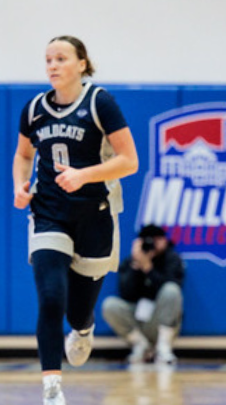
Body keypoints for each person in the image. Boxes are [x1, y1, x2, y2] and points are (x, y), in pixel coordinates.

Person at [12, 35, 139, 405]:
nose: (52, 65)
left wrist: (85, 175)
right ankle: (52, 386)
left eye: (61, 58)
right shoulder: (34, 108)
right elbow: (23, 156)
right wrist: (21, 186)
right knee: (51, 296)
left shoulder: (100, 103)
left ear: (82, 64)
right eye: (48, 59)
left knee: (78, 308)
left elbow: (129, 160)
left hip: (95, 214)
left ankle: (83, 329)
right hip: (48, 212)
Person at [101, 224, 185, 366]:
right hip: (138, 319)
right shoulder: (130, 261)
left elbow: (173, 291)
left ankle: (163, 348)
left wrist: (148, 268)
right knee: (110, 305)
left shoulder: (172, 259)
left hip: (162, 319)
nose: (153, 244)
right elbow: (126, 294)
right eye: (149, 240)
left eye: (157, 239)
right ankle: (141, 346)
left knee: (171, 289)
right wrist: (137, 266)